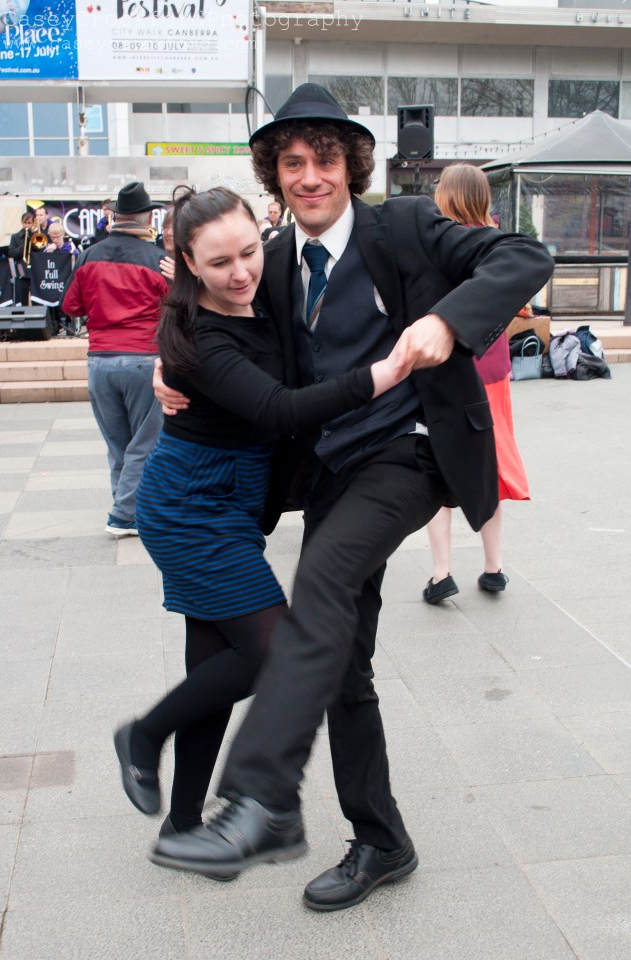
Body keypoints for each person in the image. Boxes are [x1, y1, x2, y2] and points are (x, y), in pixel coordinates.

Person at [152, 83, 554, 911]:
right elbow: (206, 314)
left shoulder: (404, 225)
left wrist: (448, 322)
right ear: (275, 173)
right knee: (341, 660)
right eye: (293, 162)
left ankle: (262, 800)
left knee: (319, 585)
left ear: (352, 166)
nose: (310, 176)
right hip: (331, 471)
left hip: (408, 451)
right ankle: (382, 840)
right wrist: (169, 366)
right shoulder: (270, 258)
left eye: (325, 159)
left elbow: (522, 256)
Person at [113, 185, 413, 844]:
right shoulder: (202, 334)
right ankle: (144, 734)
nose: (240, 272)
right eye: (219, 263)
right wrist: (385, 374)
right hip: (190, 507)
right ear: (188, 264)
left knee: (213, 670)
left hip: (233, 503)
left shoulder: (267, 281)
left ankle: (182, 823)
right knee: (276, 651)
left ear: (262, 237)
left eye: (249, 252)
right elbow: (278, 409)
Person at [423, 163, 531, 604]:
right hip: (493, 367)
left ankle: (441, 573)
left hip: (447, 368)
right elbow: (520, 307)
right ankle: (493, 568)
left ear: (445, 196)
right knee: (491, 462)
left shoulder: (438, 244)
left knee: (440, 463)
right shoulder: (498, 243)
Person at [62, 181, 168, 537]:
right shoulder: (157, 259)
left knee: (119, 445)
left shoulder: (89, 255)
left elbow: (70, 306)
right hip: (143, 357)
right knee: (145, 443)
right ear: (147, 217)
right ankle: (124, 515)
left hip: (100, 360)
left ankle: (128, 509)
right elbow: (176, 306)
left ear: (116, 216)